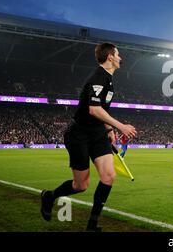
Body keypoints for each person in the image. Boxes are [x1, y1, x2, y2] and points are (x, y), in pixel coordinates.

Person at [40, 43, 137, 231]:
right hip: (79, 134)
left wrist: (109, 130)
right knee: (81, 185)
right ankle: (50, 196)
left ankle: (92, 225)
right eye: (118, 54)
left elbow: (103, 110)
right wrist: (120, 126)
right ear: (110, 57)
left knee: (109, 176)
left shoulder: (108, 79)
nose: (120, 58)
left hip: (98, 133)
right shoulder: (98, 78)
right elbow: (94, 109)